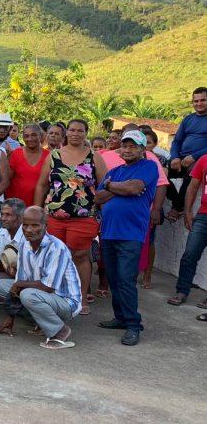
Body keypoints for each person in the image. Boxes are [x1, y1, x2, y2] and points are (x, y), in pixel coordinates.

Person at [35, 119, 106, 315]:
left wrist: (101, 210)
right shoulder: (54, 155)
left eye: (80, 131)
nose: (75, 134)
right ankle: (56, 294)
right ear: (67, 133)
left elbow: (105, 185)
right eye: (72, 130)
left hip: (83, 217)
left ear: (86, 133)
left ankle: (81, 297)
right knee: (54, 255)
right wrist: (38, 209)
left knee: (80, 256)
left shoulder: (95, 156)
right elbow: (42, 184)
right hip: (54, 217)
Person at [94, 131, 158, 346]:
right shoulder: (115, 170)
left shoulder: (148, 167)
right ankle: (120, 318)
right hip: (109, 231)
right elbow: (98, 197)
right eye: (125, 146)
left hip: (130, 234)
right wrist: (119, 188)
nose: (128, 150)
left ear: (142, 149)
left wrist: (112, 187)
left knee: (126, 279)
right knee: (113, 278)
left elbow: (135, 188)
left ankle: (133, 325)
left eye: (133, 146)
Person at [0, 207, 82, 350]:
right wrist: (11, 315)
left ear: (45, 226)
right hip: (42, 295)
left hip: (66, 302)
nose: (29, 230)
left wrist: (20, 285)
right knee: (0, 286)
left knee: (27, 294)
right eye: (26, 225)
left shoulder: (56, 247)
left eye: (35, 225)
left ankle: (60, 331)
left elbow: (48, 287)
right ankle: (40, 322)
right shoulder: (24, 245)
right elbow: (19, 281)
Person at [167, 153, 207, 313]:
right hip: (204, 215)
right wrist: (188, 211)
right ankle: (182, 291)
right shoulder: (204, 159)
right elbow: (193, 185)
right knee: (190, 255)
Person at [167, 87, 207, 221]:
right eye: (196, 101)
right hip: (182, 159)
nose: (199, 103)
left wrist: (194, 156)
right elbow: (177, 141)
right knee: (160, 172)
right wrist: (175, 157)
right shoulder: (188, 119)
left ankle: (178, 208)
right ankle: (176, 200)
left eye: (203, 100)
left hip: (200, 160)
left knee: (192, 173)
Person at [6, 123, 49, 207]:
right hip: (15, 207)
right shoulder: (16, 154)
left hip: (38, 205)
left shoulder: (49, 156)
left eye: (33, 135)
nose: (30, 139)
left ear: (40, 136)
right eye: (26, 136)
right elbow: (7, 179)